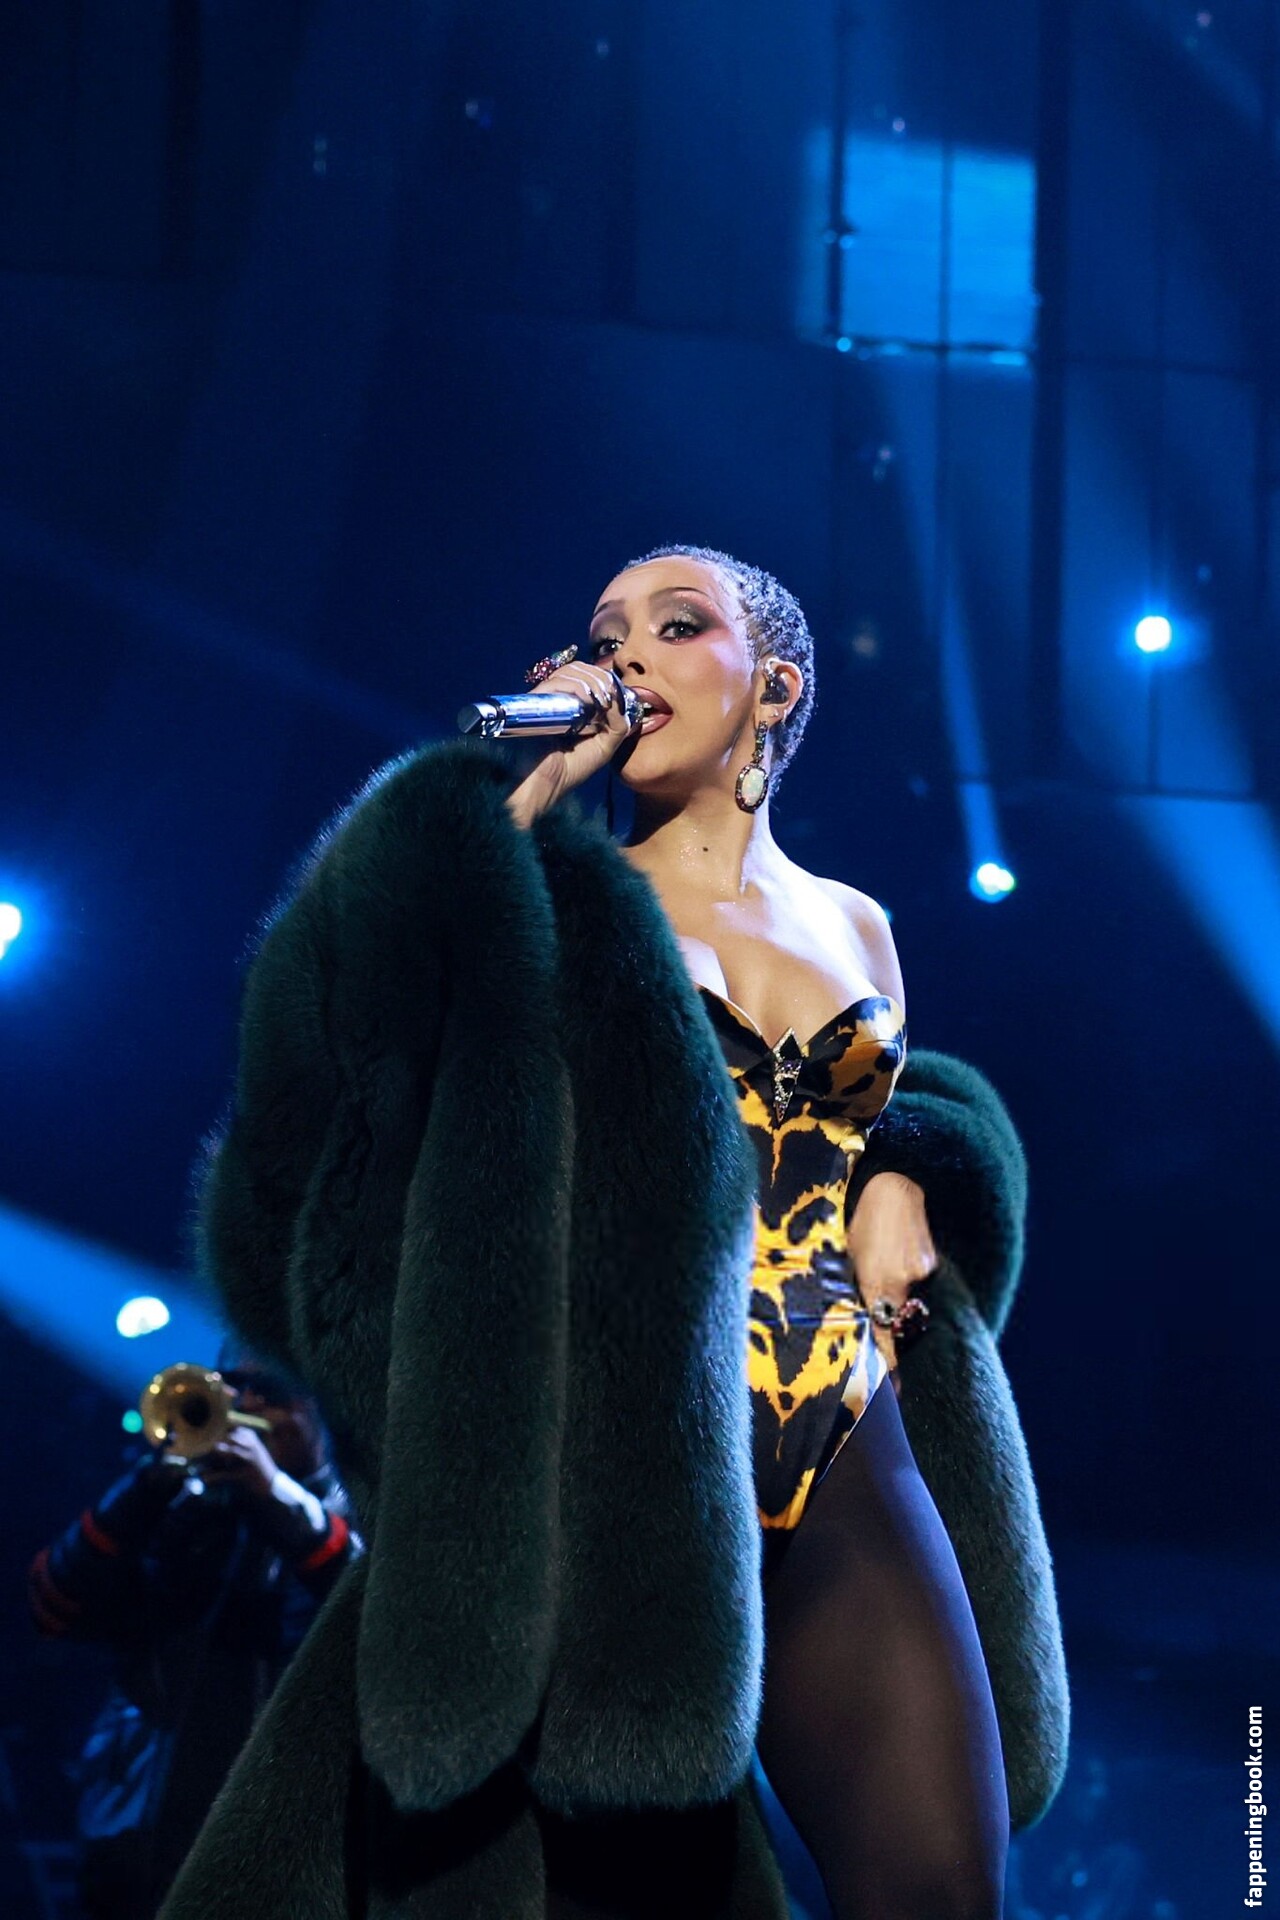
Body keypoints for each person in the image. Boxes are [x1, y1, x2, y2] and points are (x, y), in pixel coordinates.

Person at [157, 544, 1068, 1920]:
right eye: (602, 634)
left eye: (675, 624)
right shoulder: (547, 902)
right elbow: (354, 1038)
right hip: (627, 1461)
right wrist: (523, 784)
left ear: (774, 688)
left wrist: (902, 1178)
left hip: (844, 1431)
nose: (626, 653)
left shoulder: (860, 926)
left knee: (942, 1889)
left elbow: (879, 1123)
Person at [27, 1342, 363, 1919]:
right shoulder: (182, 1512)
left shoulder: (360, 1511)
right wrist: (144, 1488)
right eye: (231, 1385)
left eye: (270, 1390)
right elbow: (53, 1606)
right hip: (135, 1847)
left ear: (318, 1404)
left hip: (284, 1851)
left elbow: (366, 1616)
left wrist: (275, 1495)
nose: (244, 1405)